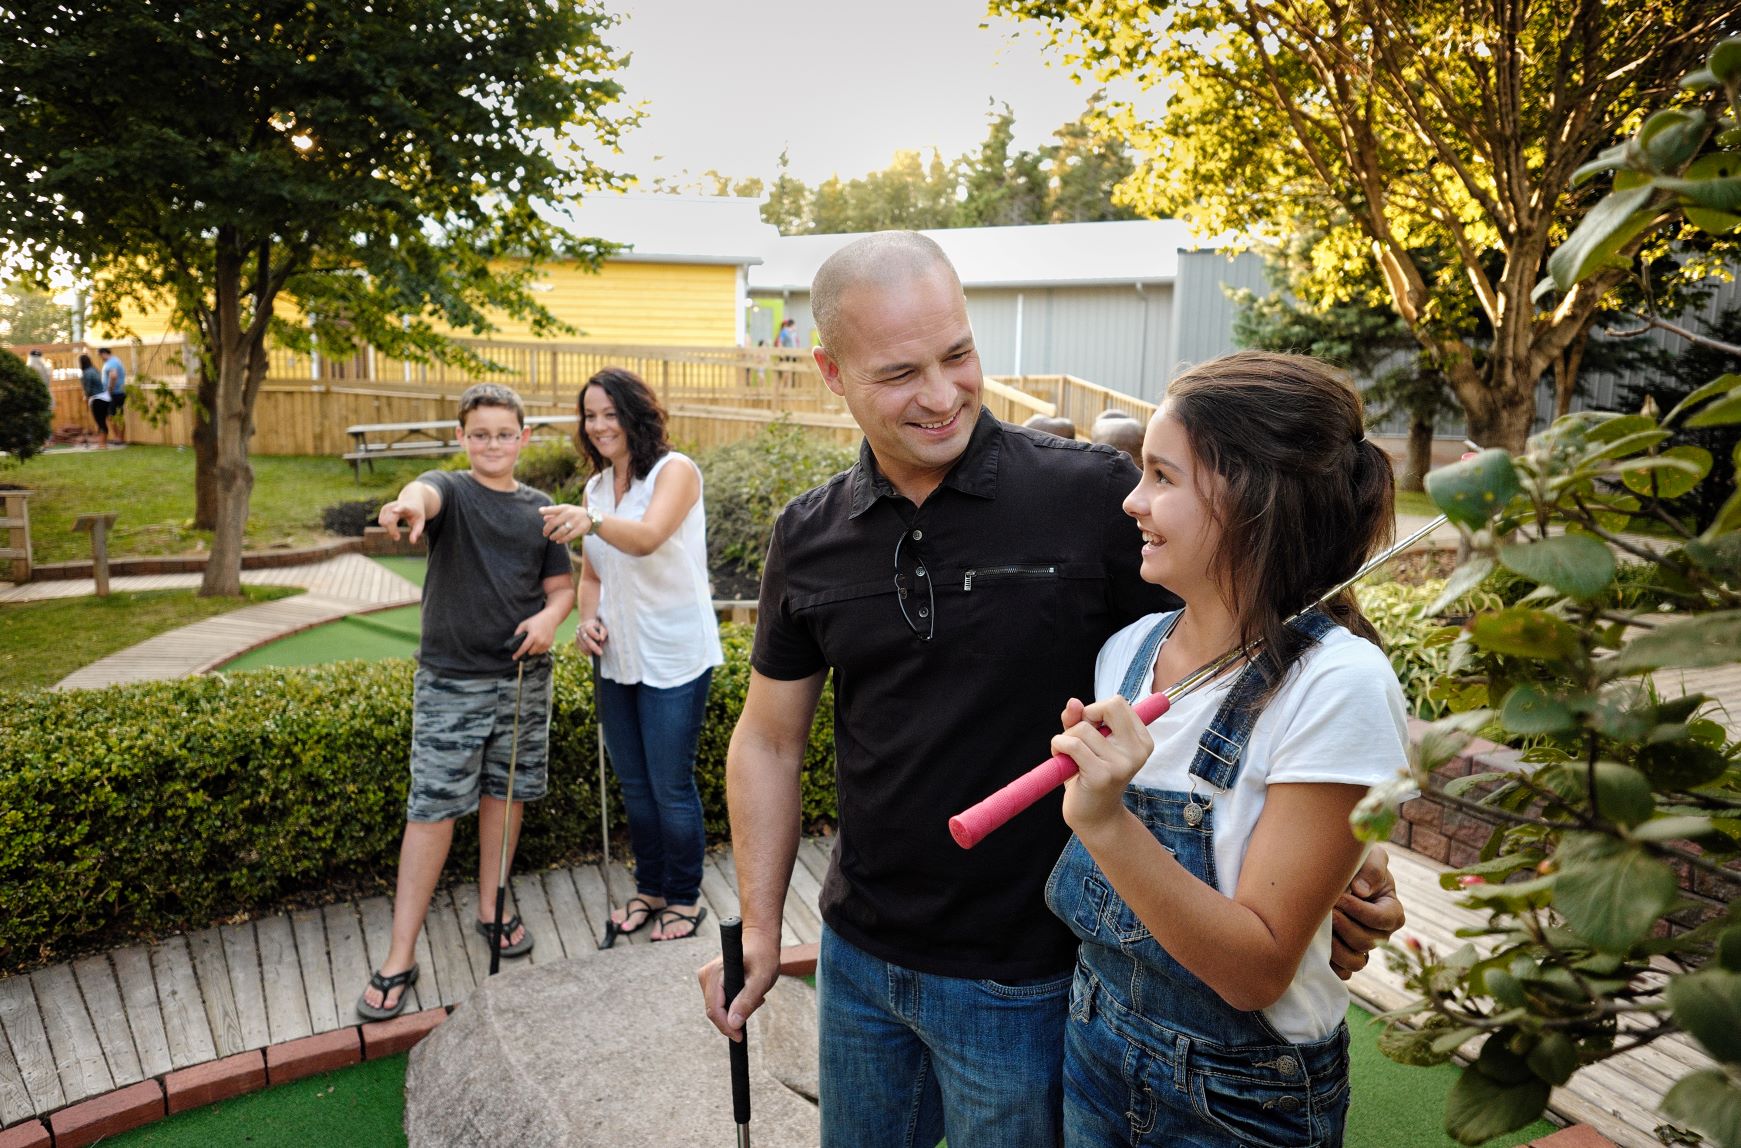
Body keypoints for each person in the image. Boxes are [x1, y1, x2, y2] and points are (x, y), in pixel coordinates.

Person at [698, 231, 1405, 1147]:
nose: (943, 393)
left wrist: (1351, 854)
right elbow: (767, 740)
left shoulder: (1097, 499)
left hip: (1034, 978)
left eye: (957, 354)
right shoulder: (809, 533)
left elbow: (1266, 631)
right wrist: (761, 924)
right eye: (900, 373)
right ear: (831, 373)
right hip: (858, 953)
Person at [1048, 351, 1408, 1146]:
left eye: (1161, 476)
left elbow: (1254, 971)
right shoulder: (1129, 652)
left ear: (1254, 498)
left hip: (1239, 1099)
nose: (1133, 501)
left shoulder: (1336, 683)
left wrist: (1105, 822)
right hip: (1093, 1040)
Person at [358, 382, 575, 1020]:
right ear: (461, 438)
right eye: (479, 434)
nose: (492, 445)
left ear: (523, 438)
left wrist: (550, 619)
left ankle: (493, 906)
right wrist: (405, 508)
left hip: (521, 680)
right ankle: (400, 953)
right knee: (431, 811)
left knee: (503, 798)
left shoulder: (540, 511)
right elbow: (419, 495)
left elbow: (561, 588)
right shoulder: (448, 491)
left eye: (504, 434)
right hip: (451, 680)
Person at [539, 368, 724, 942]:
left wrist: (590, 520)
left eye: (609, 414)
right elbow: (592, 573)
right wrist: (587, 618)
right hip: (618, 658)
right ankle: (649, 888)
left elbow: (645, 538)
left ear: (635, 414)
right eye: (590, 416)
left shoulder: (676, 472)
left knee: (670, 785)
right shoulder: (596, 489)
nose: (598, 426)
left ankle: (684, 897)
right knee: (636, 787)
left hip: (674, 654)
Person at [78, 353, 110, 449]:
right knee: (103, 421)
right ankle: (103, 442)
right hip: (105, 397)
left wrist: (86, 397)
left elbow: (88, 389)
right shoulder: (94, 370)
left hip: (97, 399)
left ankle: (102, 444)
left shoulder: (86, 373)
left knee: (99, 421)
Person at [98, 348, 126, 444]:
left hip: (114, 393)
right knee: (119, 415)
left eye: (100, 355)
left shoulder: (111, 363)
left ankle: (118, 437)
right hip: (120, 392)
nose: (100, 358)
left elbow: (113, 376)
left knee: (111, 416)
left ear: (104, 353)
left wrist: (109, 390)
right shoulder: (116, 360)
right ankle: (121, 437)